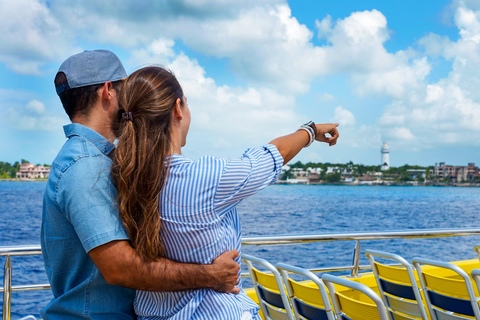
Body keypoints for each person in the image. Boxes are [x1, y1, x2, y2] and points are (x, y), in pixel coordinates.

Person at [110, 66, 339, 319]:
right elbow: (275, 154)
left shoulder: (123, 177)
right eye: (186, 104)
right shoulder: (205, 177)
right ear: (177, 109)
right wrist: (310, 130)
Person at [41, 50, 241, 320]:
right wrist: (211, 275)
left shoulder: (90, 159)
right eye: (127, 89)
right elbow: (119, 268)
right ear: (108, 91)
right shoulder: (85, 167)